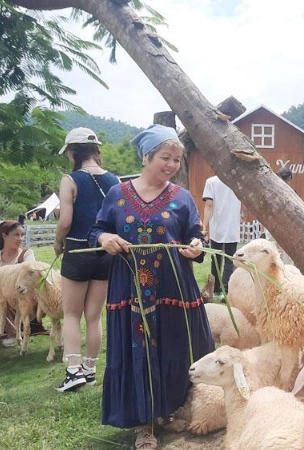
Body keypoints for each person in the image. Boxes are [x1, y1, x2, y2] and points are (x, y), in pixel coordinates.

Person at [89, 124, 214, 450]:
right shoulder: (117, 194)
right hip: (130, 290)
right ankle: (143, 424)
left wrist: (195, 246)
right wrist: (105, 238)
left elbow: (195, 235)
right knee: (138, 351)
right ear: (146, 157)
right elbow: (97, 230)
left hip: (173, 289)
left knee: (176, 347)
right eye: (165, 157)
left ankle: (170, 409)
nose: (171, 165)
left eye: (176, 159)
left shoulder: (182, 197)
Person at [53, 128, 121, 392]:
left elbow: (65, 221)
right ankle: (90, 370)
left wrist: (58, 242)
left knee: (71, 313)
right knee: (94, 316)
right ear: (95, 150)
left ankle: (73, 371)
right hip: (106, 252)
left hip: (78, 250)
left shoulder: (70, 180)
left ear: (72, 152)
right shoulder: (114, 180)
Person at [0, 220, 47, 345]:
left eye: (22, 235)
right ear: (4, 236)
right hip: (4, 295)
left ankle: (14, 333)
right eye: (16, 235)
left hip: (25, 295)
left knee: (9, 296)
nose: (20, 238)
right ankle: (0, 330)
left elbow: (32, 276)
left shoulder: (26, 254)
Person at [202, 175, 241, 297]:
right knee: (230, 259)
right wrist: (243, 212)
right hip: (232, 226)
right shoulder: (237, 180)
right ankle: (226, 289)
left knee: (216, 259)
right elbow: (243, 200)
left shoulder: (211, 181)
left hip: (217, 227)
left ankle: (216, 288)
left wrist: (204, 227)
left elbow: (208, 205)